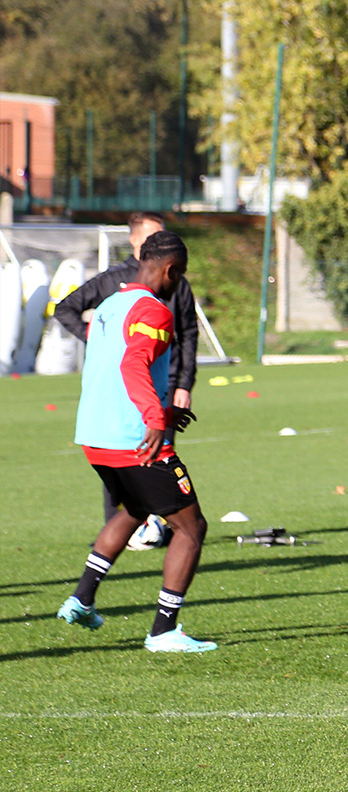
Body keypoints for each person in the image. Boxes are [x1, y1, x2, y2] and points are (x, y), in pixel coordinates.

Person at [55, 231, 215, 652]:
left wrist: (163, 410)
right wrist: (153, 418)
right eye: (181, 274)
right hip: (135, 438)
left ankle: (81, 598)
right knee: (191, 527)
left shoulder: (111, 305)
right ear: (171, 270)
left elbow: (113, 363)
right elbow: (132, 364)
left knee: (135, 509)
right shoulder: (154, 311)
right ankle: (163, 631)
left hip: (96, 435)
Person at [53, 211, 200, 538]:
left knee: (136, 499)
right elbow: (131, 362)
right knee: (189, 527)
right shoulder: (117, 287)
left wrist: (183, 383)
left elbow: (189, 333)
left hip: (159, 394)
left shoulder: (171, 288)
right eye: (153, 236)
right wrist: (95, 338)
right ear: (135, 241)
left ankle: (86, 589)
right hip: (130, 408)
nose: (161, 241)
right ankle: (155, 535)